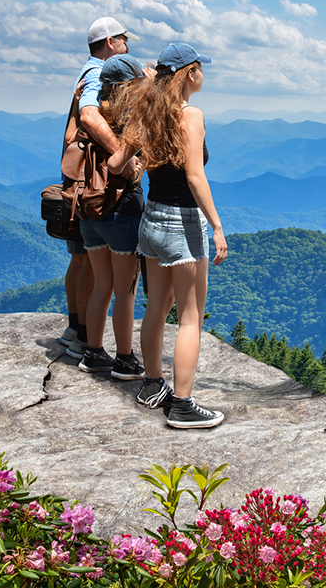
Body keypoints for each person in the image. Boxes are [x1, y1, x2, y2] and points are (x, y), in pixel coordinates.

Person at [117, 42, 228, 429]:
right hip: (183, 224)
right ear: (188, 73)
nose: (203, 76)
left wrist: (137, 162)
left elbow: (117, 163)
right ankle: (182, 405)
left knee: (156, 308)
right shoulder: (190, 115)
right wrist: (216, 225)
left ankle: (152, 384)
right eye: (200, 69)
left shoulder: (147, 112)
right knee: (190, 318)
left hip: (151, 220)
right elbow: (196, 176)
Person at [63, 17, 139, 357]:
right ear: (110, 42)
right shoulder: (98, 74)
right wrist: (123, 157)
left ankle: (78, 333)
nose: (127, 45)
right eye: (123, 40)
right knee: (106, 277)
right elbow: (91, 117)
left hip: (80, 183)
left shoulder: (85, 72)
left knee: (83, 260)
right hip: (103, 188)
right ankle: (89, 342)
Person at [75, 55, 148, 379]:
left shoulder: (92, 113)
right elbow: (132, 167)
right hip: (122, 211)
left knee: (101, 287)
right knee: (125, 291)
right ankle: (124, 359)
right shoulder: (130, 117)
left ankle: (92, 353)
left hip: (89, 209)